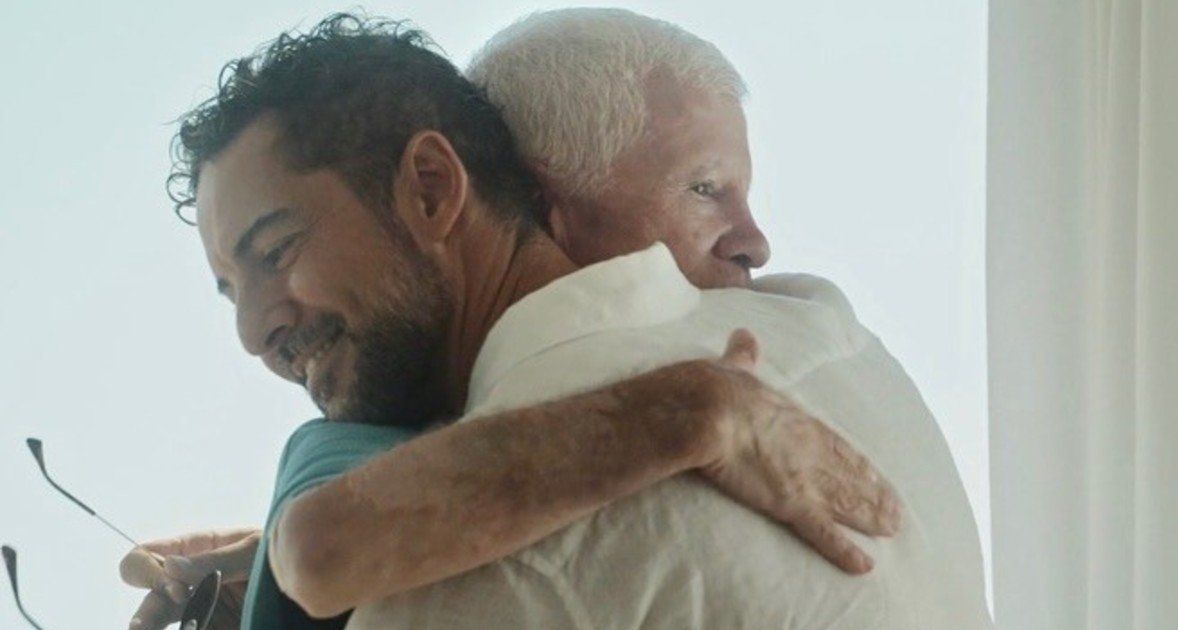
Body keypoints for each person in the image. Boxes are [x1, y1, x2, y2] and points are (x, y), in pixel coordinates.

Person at [123, 12, 989, 630]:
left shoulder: (465, 580)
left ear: (433, 189)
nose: (253, 332)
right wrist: (274, 563)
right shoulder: (825, 329)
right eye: (230, 290)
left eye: (275, 251)